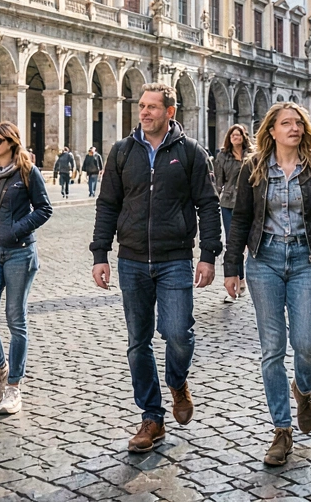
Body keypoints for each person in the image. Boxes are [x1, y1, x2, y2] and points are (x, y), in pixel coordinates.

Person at [89, 83, 222, 453]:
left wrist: (209, 254)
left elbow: (208, 206)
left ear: (170, 111)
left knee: (178, 333)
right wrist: (100, 253)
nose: (144, 112)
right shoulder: (121, 152)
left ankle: (178, 381)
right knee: (138, 343)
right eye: (141, 105)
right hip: (131, 259)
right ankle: (152, 417)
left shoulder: (191, 153)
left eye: (151, 107)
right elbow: (107, 206)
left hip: (174, 258)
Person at [224, 102, 311, 466]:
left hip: (307, 260)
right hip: (265, 261)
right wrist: (233, 268)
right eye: (285, 123)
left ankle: (303, 389)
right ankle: (281, 429)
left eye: (298, 123)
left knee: (306, 343)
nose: (293, 128)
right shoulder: (254, 168)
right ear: (271, 131)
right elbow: (241, 220)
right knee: (272, 348)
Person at [0, 120, 53, 415]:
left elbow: (45, 209)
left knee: (16, 320)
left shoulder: (27, 172)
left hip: (20, 254)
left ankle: (14, 388)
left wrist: (17, 229)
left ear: (11, 143)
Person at [215, 124, 252, 304]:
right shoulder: (222, 156)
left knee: (250, 242)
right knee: (233, 243)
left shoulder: (251, 156)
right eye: (232, 135)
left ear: (244, 137)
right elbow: (218, 182)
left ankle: (249, 278)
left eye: (238, 135)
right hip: (228, 203)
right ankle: (237, 281)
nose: (235, 138)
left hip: (249, 203)